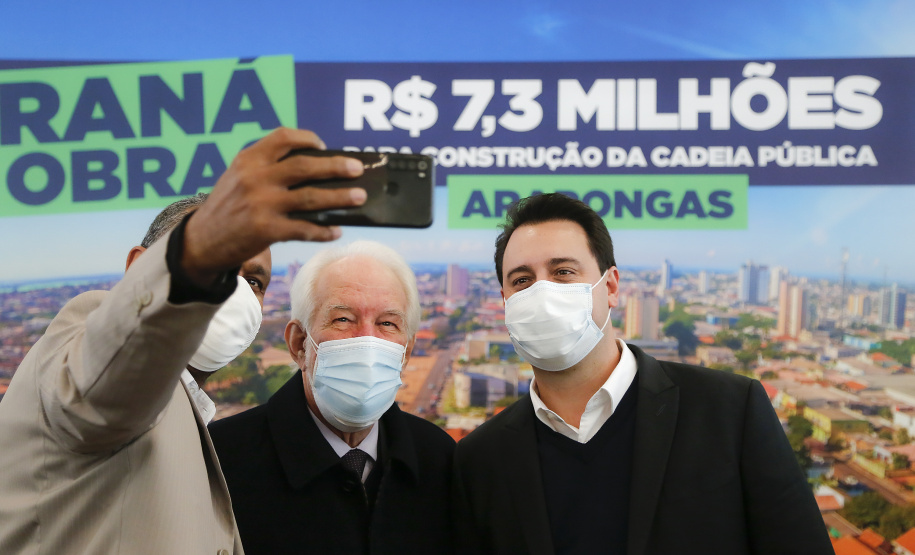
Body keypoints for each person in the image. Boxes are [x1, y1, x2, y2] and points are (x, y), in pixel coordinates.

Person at [0, 127, 368, 554]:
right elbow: (105, 386)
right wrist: (197, 250)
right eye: (220, 263)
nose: (236, 290)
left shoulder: (194, 416)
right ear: (139, 267)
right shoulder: (88, 342)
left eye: (254, 280)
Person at [452, 193, 834, 555]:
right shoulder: (480, 460)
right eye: (521, 281)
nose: (542, 292)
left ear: (611, 286)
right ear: (505, 301)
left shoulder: (729, 411)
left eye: (563, 271)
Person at [209, 240, 456, 555]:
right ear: (300, 344)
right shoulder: (221, 462)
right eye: (343, 319)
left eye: (387, 324)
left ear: (406, 352)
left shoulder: (439, 458)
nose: (367, 339)